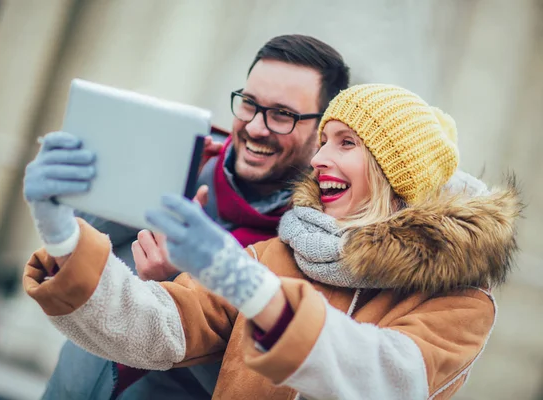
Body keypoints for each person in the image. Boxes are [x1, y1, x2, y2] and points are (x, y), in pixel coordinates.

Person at [23, 83, 523, 399]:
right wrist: (62, 232)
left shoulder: (460, 301)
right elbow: (157, 327)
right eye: (323, 141)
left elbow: (380, 378)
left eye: (346, 144)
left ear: (397, 176)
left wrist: (242, 281)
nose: (320, 159)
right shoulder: (275, 254)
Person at [39, 34, 351, 399]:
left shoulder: (317, 246)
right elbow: (76, 255)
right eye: (249, 104)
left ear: (322, 131)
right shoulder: (182, 168)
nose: (254, 127)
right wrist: (140, 186)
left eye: (282, 114)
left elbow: (248, 384)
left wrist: (179, 283)